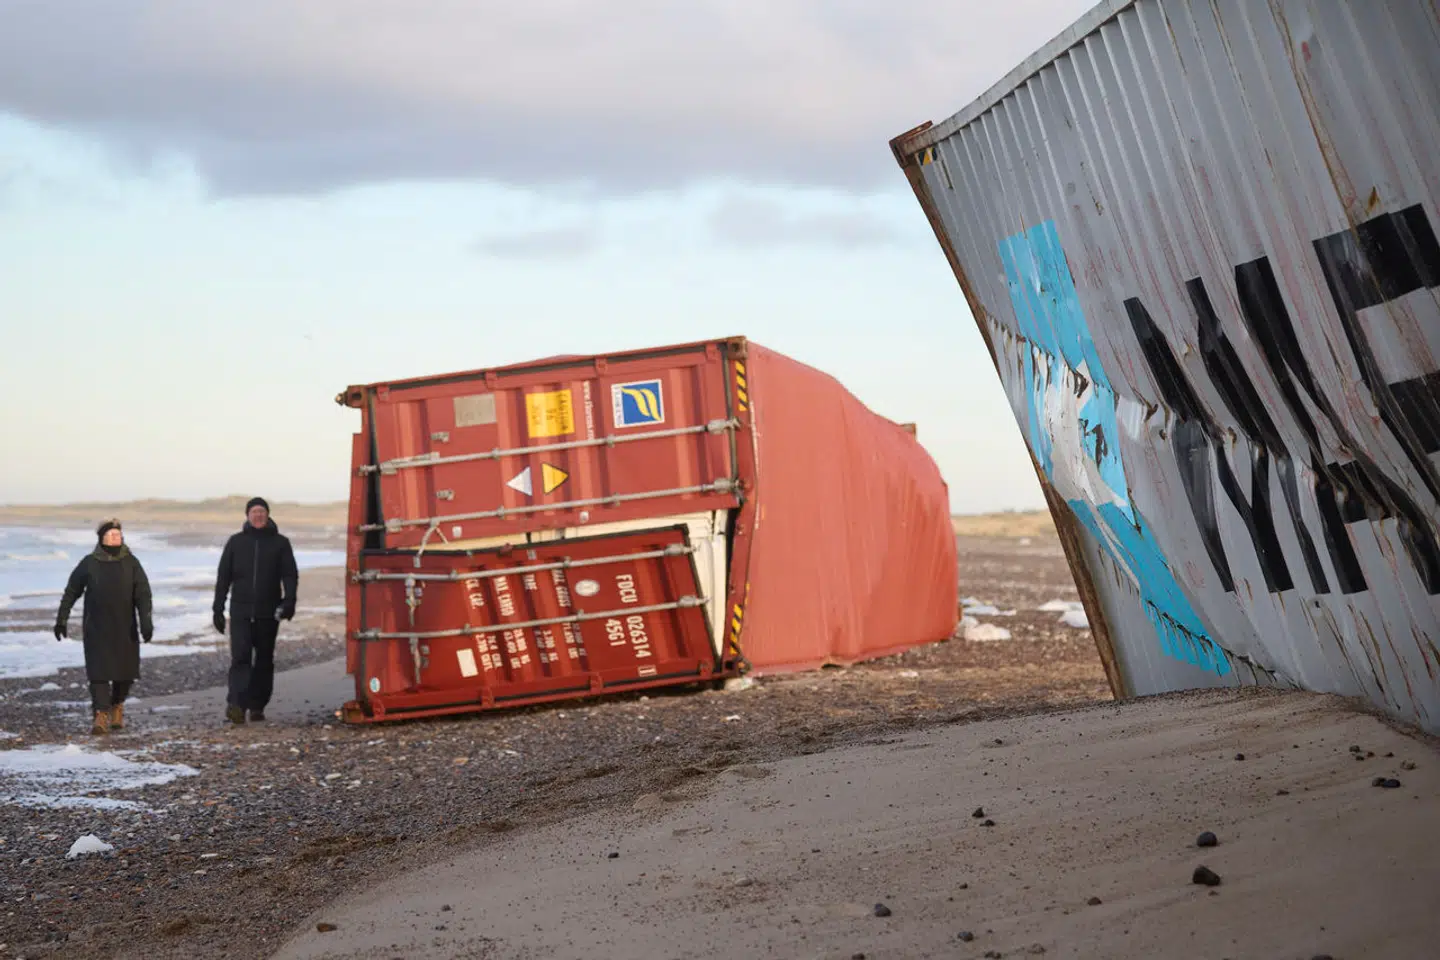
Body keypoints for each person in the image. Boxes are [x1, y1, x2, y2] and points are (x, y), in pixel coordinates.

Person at [54, 519, 154, 736]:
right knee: (98, 672)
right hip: (96, 627)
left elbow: (143, 594)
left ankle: (117, 705)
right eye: (110, 535)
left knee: (125, 672)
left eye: (117, 535)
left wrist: (146, 621)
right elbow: (72, 591)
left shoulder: (131, 563)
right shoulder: (89, 562)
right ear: (101, 538)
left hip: (125, 626)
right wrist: (62, 619)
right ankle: (100, 714)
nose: (114, 538)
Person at [213, 497, 298, 725]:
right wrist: (217, 609)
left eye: (261, 512)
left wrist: (289, 601)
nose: (258, 515)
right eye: (254, 512)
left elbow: (289, 574)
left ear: (267, 515)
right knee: (240, 658)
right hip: (240, 611)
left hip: (268, 612)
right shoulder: (235, 542)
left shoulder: (281, 543)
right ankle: (237, 705)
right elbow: (223, 577)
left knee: (263, 660)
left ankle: (258, 705)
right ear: (247, 516)